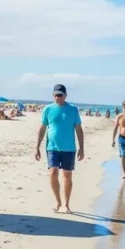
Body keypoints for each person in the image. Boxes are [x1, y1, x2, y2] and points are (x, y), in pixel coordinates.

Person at [35, 84, 84, 213]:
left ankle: (66, 204)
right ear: (53, 95)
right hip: (52, 147)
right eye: (56, 95)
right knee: (53, 172)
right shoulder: (48, 109)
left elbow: (78, 129)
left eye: (60, 95)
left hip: (69, 148)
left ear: (65, 95)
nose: (58, 97)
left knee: (67, 175)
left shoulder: (73, 109)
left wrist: (82, 148)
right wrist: (37, 147)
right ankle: (58, 201)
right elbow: (42, 128)